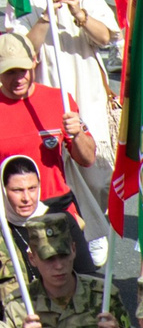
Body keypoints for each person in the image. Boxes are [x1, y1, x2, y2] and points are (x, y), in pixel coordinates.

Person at [24, 0, 121, 269]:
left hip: (87, 90)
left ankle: (97, 217)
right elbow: (22, 51)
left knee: (97, 171)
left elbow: (105, 36)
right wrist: (43, 16)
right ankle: (90, 231)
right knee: (64, 167)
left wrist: (78, 11)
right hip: (49, 91)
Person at [0, 35, 91, 214]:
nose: (18, 79)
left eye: (22, 70)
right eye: (10, 72)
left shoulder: (60, 100)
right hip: (9, 212)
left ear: (34, 61)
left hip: (56, 206)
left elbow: (88, 159)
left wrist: (78, 135)